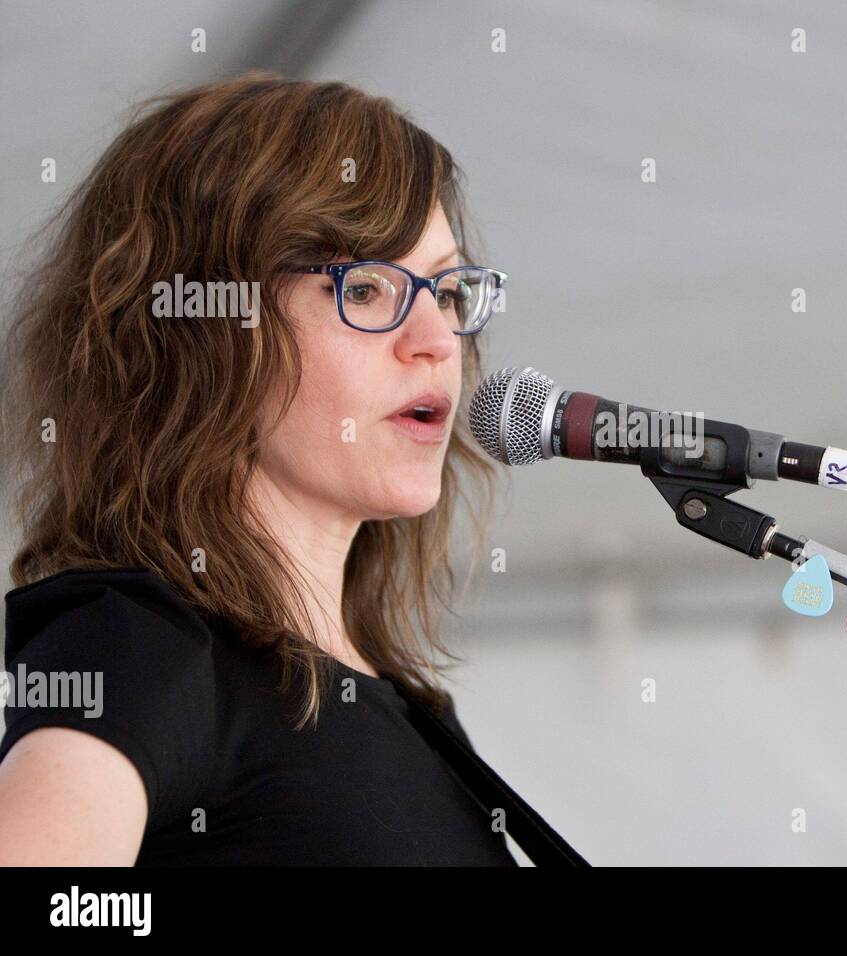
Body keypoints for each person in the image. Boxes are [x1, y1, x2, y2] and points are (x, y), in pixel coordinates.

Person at [0, 71, 518, 865]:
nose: (438, 340)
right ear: (209, 334)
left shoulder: (418, 716)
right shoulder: (142, 648)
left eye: (450, 291)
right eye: (369, 287)